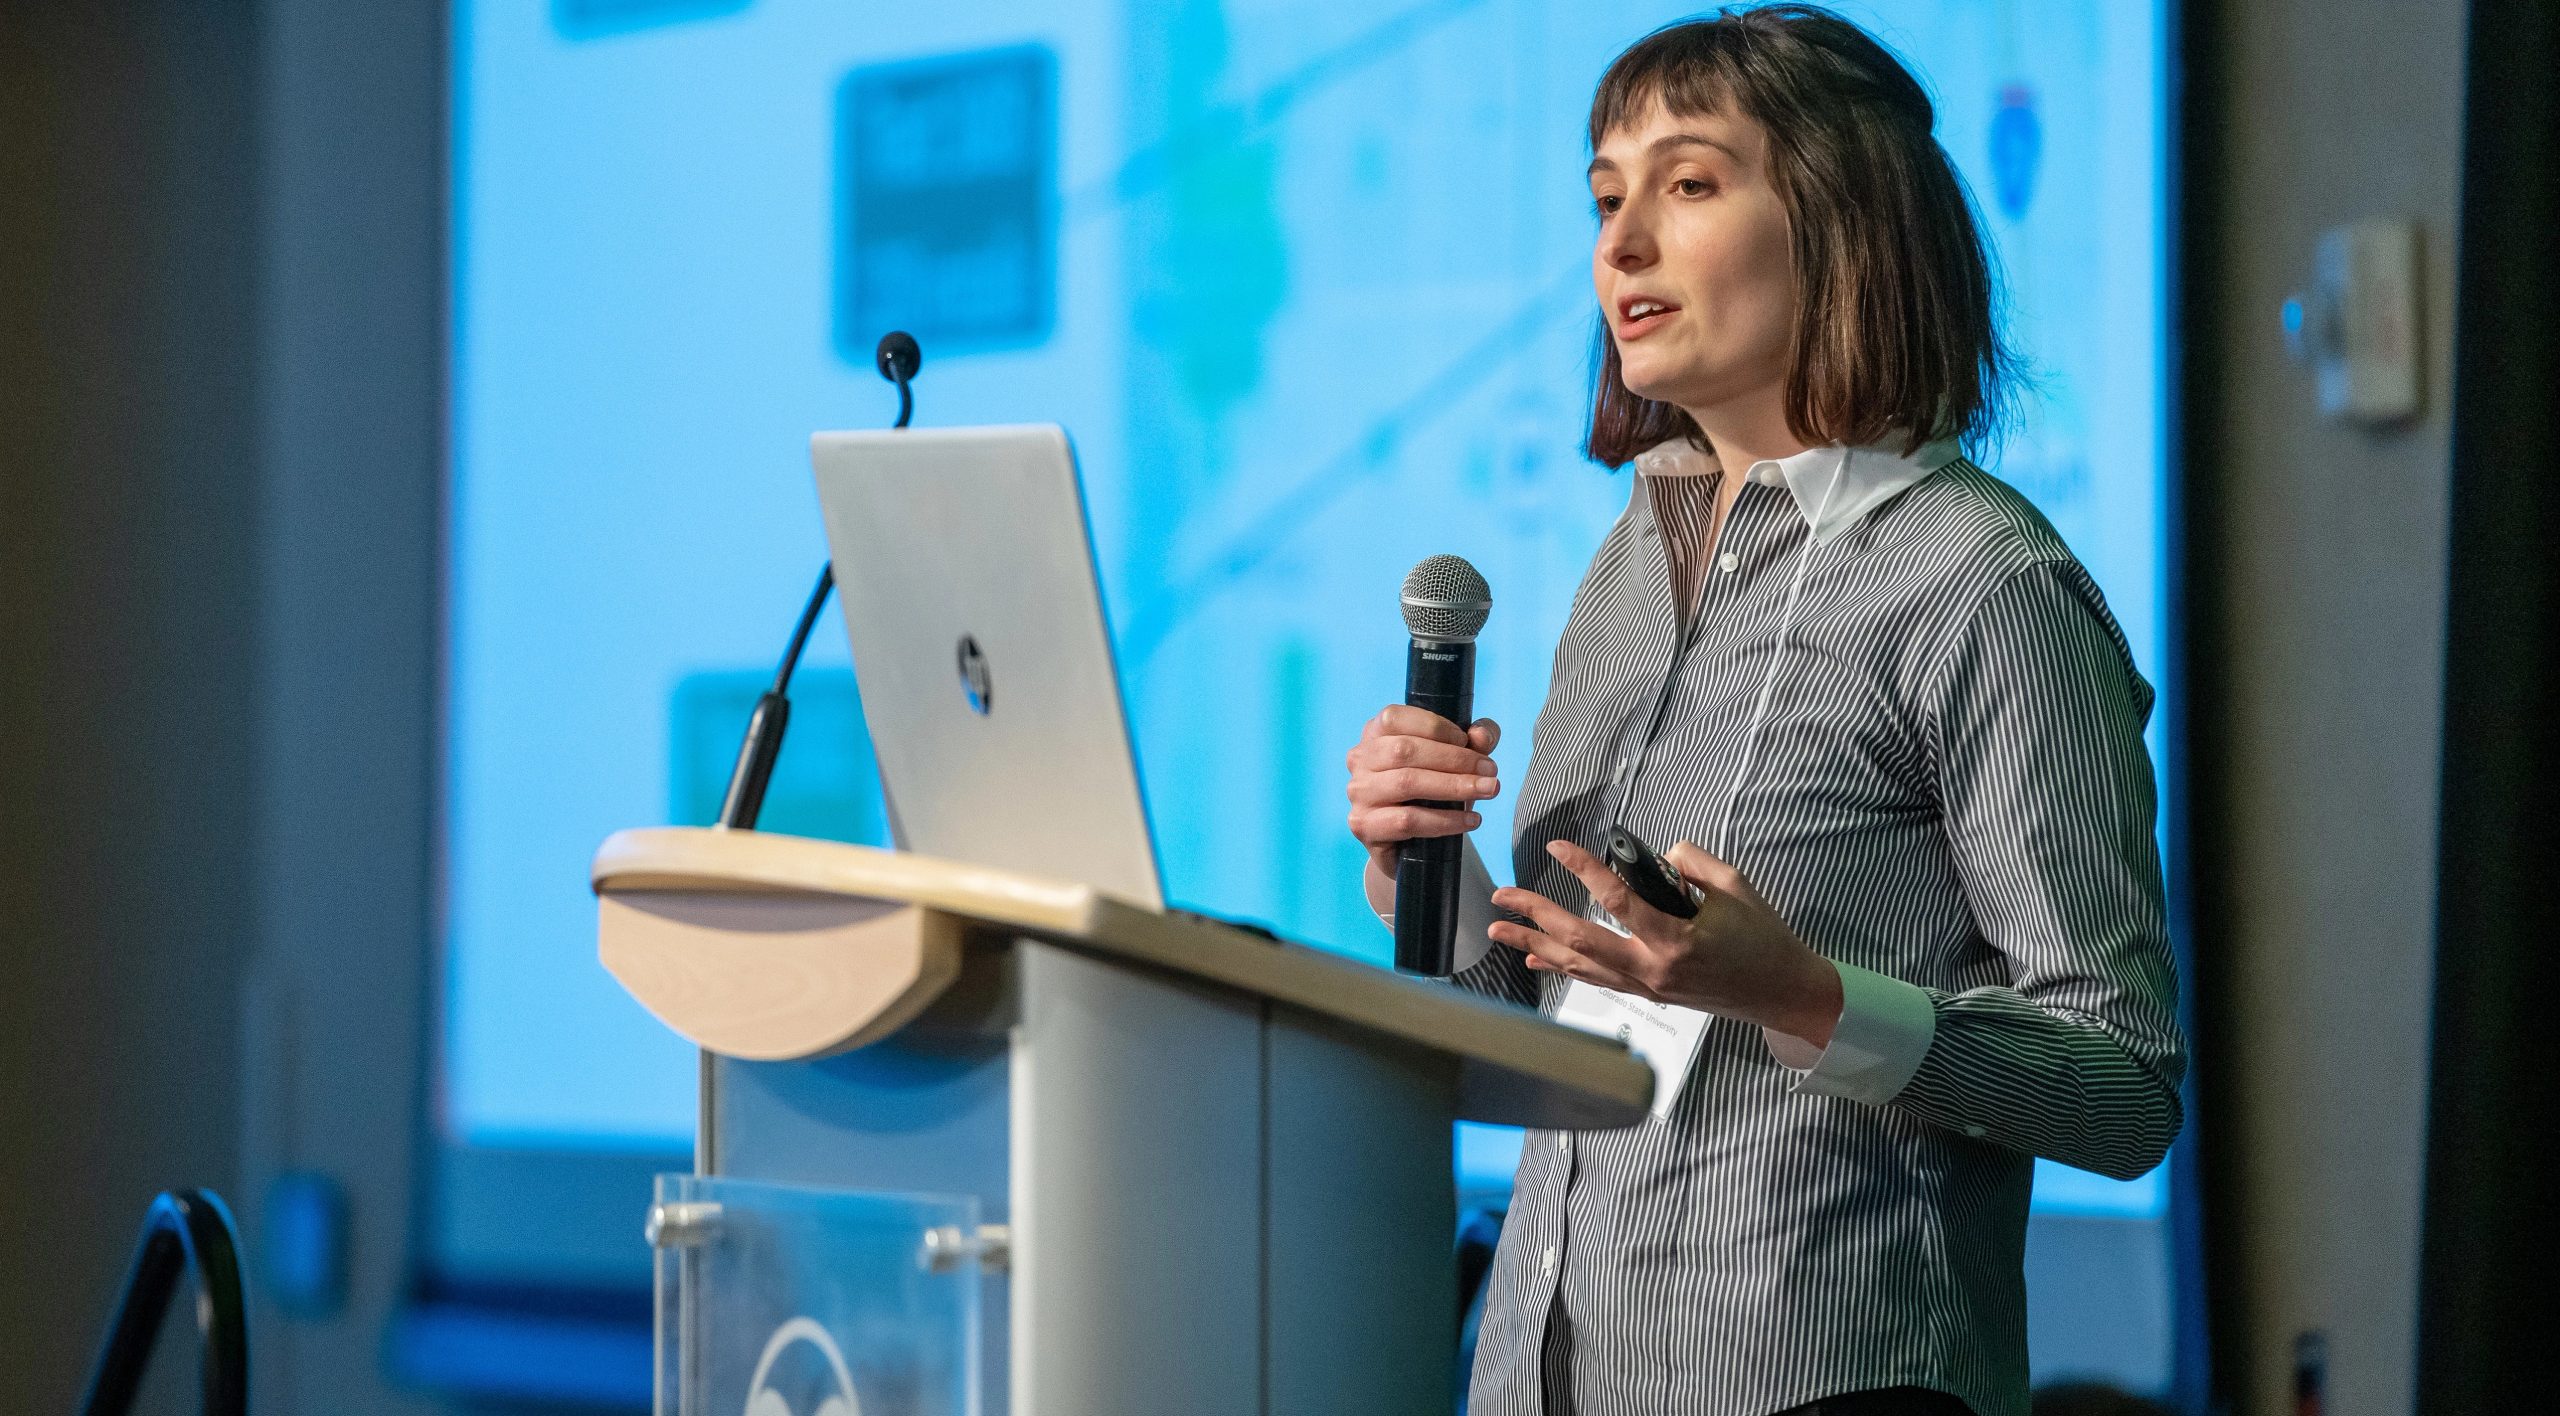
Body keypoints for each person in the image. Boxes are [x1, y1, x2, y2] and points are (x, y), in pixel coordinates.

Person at [1341, 8, 2186, 1416]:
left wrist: (1802, 997)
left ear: (1842, 221)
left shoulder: (1983, 581)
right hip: (1546, 1373)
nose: (1619, 247)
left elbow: (2123, 1088)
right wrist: (1426, 867)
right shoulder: (1626, 564)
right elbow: (1544, 1012)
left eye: (1686, 185)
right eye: (1606, 198)